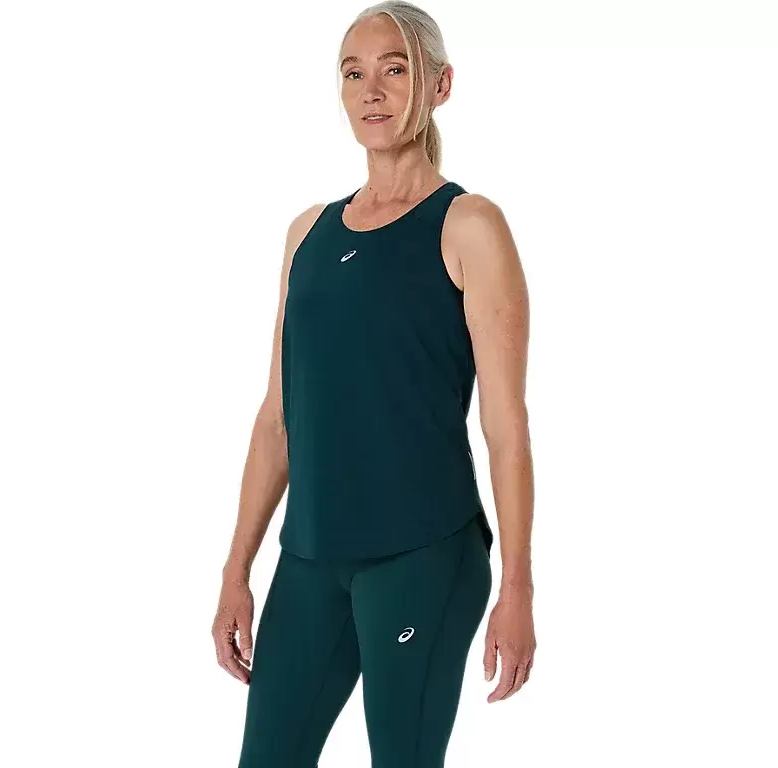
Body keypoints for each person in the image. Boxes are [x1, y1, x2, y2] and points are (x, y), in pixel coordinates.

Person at [212, 2, 536, 765]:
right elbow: (277, 420)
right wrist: (235, 570)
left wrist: (518, 585)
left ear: (439, 84)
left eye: (395, 69)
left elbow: (505, 426)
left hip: (423, 555)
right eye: (353, 74)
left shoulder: (469, 226)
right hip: (311, 558)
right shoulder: (308, 234)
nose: (372, 91)